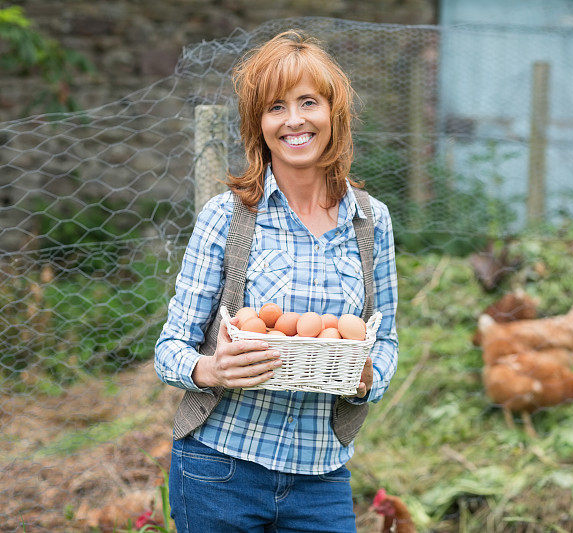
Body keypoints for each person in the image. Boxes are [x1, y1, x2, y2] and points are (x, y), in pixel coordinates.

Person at [154, 29, 398, 532]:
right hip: (219, 470)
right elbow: (169, 348)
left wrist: (367, 379)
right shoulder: (227, 217)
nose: (294, 120)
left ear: (334, 113)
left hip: (321, 477)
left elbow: (387, 339)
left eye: (308, 102)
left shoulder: (372, 223)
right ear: (258, 124)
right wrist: (212, 369)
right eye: (275, 107)